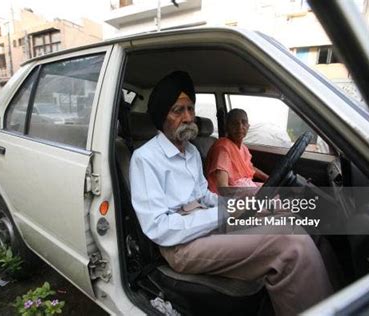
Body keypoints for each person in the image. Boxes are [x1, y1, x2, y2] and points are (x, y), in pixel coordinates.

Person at [129, 71, 332, 316]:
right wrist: (222, 215)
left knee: (292, 218)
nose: (188, 117)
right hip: (180, 245)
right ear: (162, 117)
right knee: (289, 243)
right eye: (177, 110)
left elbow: (205, 196)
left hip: (206, 225)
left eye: (190, 109)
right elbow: (159, 228)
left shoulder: (191, 152)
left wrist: (242, 206)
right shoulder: (145, 159)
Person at [206, 108, 268, 194]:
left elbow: (249, 167)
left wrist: (268, 178)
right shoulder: (223, 148)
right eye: (234, 123)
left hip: (244, 187)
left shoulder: (243, 148)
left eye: (244, 122)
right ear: (227, 127)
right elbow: (223, 188)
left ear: (248, 126)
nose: (240, 127)